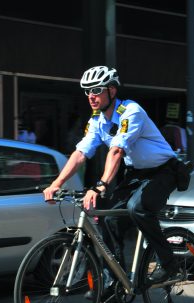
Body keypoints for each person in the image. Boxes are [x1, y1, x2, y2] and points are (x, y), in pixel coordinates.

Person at [43, 65, 181, 288]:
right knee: (110, 219)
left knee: (139, 208)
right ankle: (115, 284)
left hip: (164, 170)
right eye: (87, 91)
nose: (91, 96)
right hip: (137, 173)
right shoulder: (97, 120)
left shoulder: (130, 111)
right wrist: (56, 183)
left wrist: (100, 186)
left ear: (112, 91)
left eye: (96, 90)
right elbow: (80, 153)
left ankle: (168, 264)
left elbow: (117, 150)